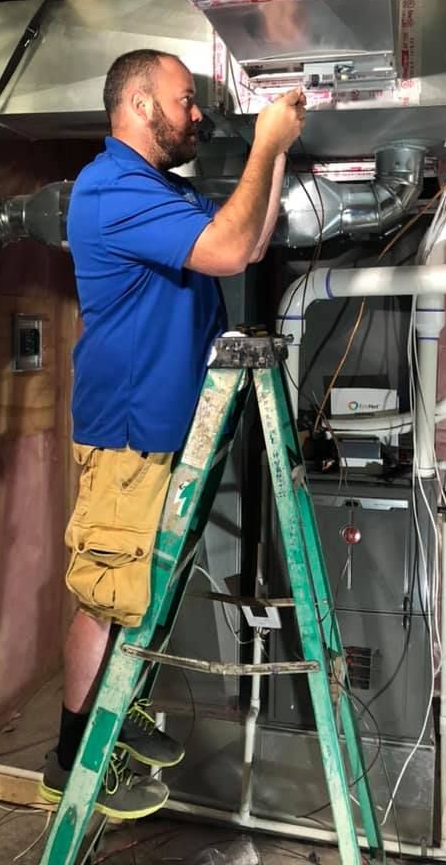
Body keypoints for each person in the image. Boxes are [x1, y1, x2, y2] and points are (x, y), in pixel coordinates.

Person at [39, 49, 306, 819]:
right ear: (137, 103)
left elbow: (246, 243)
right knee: (106, 598)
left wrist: (277, 150)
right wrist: (262, 144)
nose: (197, 114)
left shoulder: (158, 189)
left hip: (167, 436)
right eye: (185, 100)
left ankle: (115, 716)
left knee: (139, 594)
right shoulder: (111, 188)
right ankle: (72, 755)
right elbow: (228, 250)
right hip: (128, 438)